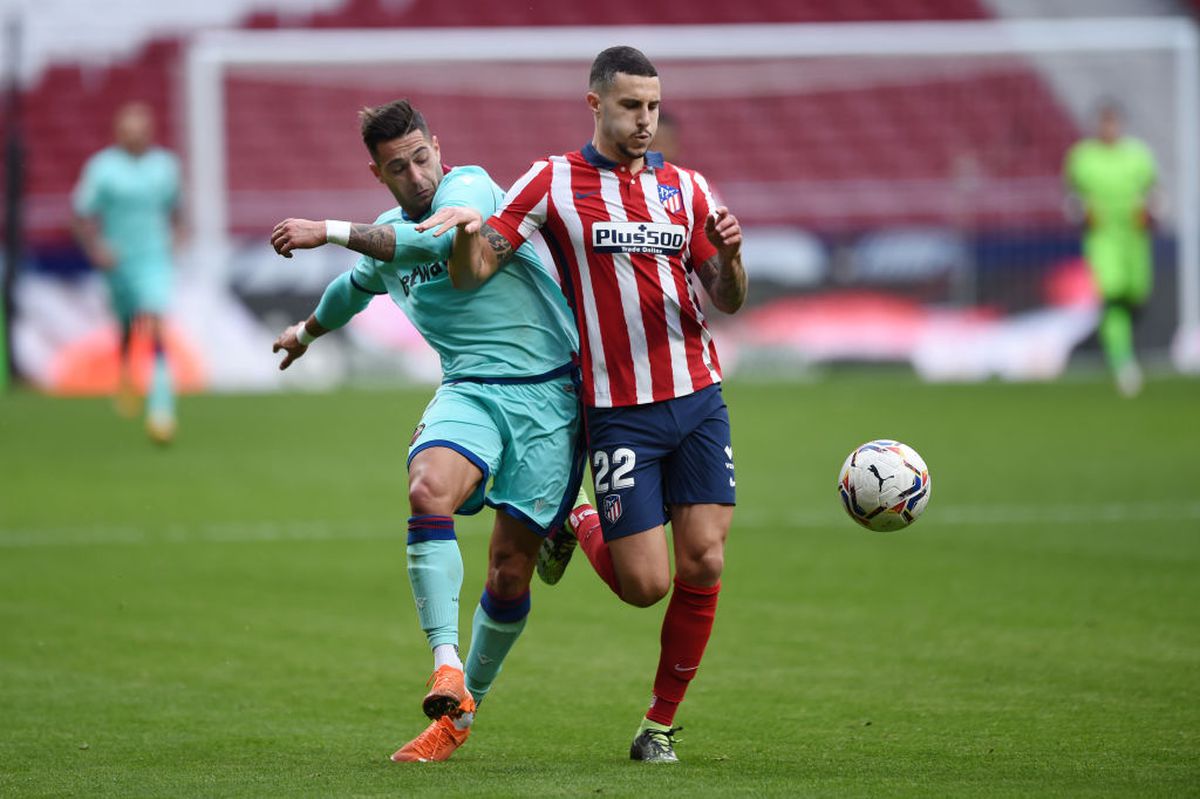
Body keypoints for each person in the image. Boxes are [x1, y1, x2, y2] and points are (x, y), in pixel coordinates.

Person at [419, 45, 747, 763]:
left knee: (706, 559)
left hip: (697, 396)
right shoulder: (552, 181)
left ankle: (657, 724)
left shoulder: (686, 189)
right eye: (631, 106)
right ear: (595, 104)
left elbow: (724, 297)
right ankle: (578, 516)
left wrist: (733, 255)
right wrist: (468, 234)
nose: (645, 120)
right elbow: (478, 273)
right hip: (618, 410)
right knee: (645, 585)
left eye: (653, 107)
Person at [268, 99, 587, 762]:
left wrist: (324, 227)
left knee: (509, 572)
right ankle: (447, 675)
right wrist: (306, 332)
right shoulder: (385, 230)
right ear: (376, 173)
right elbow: (355, 288)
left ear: (437, 147)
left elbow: (432, 243)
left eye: (421, 157)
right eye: (397, 167)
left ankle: (567, 524)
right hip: (468, 390)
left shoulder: (469, 188)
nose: (416, 175)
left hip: (548, 397)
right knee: (426, 487)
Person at [72, 102, 183, 443]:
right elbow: (79, 215)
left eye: (142, 130)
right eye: (129, 131)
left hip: (154, 260)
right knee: (126, 325)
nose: (136, 136)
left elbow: (177, 212)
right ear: (119, 133)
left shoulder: (165, 166)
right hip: (119, 261)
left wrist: (175, 243)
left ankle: (161, 407)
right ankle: (124, 375)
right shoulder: (102, 168)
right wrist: (96, 249)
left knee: (155, 322)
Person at [1064, 100, 1158, 397]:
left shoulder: (1138, 156)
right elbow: (1071, 199)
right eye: (1104, 123)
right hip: (1103, 237)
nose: (1109, 129)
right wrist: (1083, 212)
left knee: (1135, 295)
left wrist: (1151, 211)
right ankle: (1122, 362)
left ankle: (1124, 350)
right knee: (1113, 296)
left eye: (1113, 123)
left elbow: (1154, 193)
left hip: (1135, 238)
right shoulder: (1082, 158)